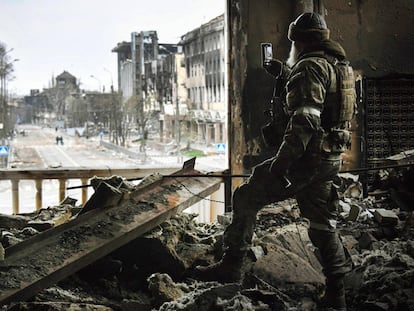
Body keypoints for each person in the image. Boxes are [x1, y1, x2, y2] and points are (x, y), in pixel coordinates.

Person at [192, 12, 354, 311]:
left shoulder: (308, 67)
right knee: (322, 222)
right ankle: (338, 294)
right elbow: (326, 104)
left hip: (305, 159)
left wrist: (281, 165)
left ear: (299, 41)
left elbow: (305, 119)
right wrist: (284, 74)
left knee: (246, 197)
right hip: (329, 157)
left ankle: (232, 266)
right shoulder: (338, 65)